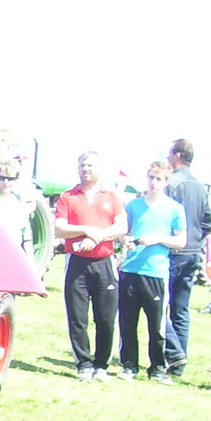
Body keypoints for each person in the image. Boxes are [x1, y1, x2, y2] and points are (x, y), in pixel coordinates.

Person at [54, 151, 127, 381]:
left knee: (105, 318)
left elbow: (121, 227)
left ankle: (101, 364)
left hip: (104, 263)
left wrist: (97, 237)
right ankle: (83, 363)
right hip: (77, 264)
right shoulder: (68, 197)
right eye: (83, 165)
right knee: (77, 317)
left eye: (91, 165)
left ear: (100, 168)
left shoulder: (112, 196)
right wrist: (86, 230)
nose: (86, 169)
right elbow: (60, 228)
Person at [117, 161, 187, 381]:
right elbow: (124, 232)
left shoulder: (174, 208)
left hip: (156, 272)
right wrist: (125, 240)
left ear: (166, 182)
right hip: (131, 269)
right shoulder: (133, 205)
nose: (153, 183)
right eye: (150, 177)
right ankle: (129, 365)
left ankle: (157, 367)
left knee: (156, 325)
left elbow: (181, 241)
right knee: (127, 321)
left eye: (158, 179)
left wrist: (159, 239)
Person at [163, 139, 211, 378]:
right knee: (181, 309)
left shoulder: (173, 183)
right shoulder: (199, 186)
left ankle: (174, 353)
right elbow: (208, 221)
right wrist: (196, 241)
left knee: (161, 305)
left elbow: (163, 217)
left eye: (169, 153)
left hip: (173, 251)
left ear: (177, 156)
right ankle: (179, 362)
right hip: (193, 252)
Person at [0, 161, 33, 255]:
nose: (5, 182)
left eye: (10, 179)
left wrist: (30, 259)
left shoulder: (19, 201)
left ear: (16, 179)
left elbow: (25, 233)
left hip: (13, 253)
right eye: (2, 178)